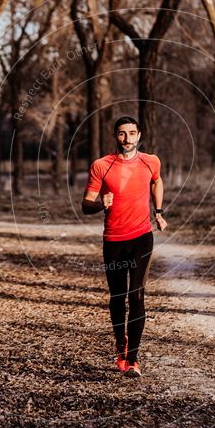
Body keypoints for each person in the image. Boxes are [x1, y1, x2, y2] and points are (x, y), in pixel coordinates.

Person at [81, 116, 167, 378]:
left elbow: (156, 180)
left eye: (132, 133)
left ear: (139, 135)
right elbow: (86, 205)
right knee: (118, 297)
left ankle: (133, 360)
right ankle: (121, 344)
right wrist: (101, 204)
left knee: (137, 295)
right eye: (122, 133)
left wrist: (159, 211)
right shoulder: (101, 166)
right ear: (115, 137)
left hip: (141, 237)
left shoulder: (150, 161)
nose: (127, 138)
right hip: (114, 241)